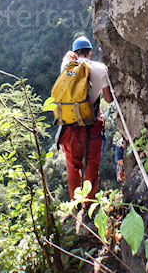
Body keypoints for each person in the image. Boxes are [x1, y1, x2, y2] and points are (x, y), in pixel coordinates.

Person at [58, 36, 113, 201]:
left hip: (71, 126)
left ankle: (76, 201)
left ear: (75, 53)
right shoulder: (100, 68)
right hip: (92, 124)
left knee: (73, 166)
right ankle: (89, 201)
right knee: (92, 163)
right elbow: (109, 99)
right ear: (90, 51)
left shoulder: (67, 67)